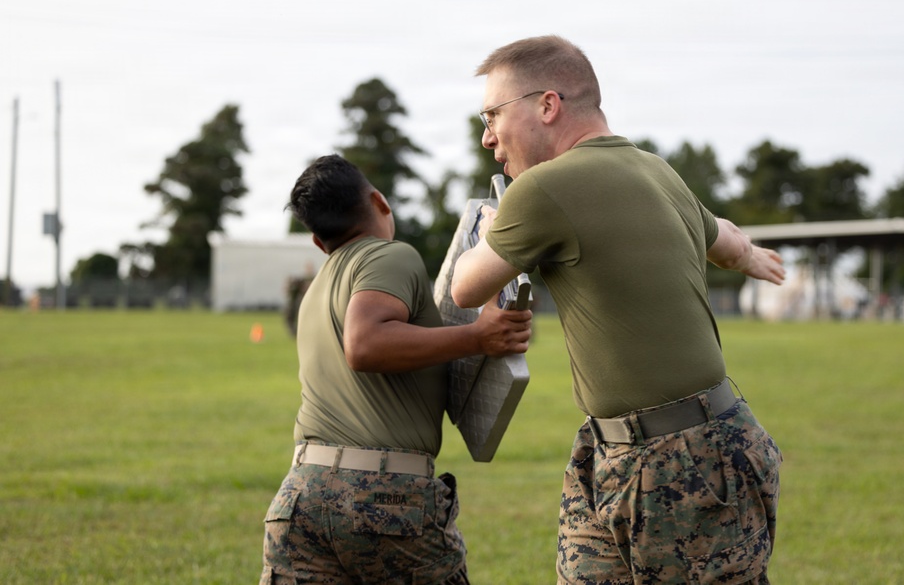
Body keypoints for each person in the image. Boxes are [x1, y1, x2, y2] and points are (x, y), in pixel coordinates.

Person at [451, 36, 786, 584]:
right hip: (622, 448)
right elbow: (721, 237)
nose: (488, 137)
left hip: (682, 462)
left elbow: (466, 287)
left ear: (548, 105)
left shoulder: (541, 190)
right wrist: (752, 258)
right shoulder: (656, 170)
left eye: (492, 115)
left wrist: (490, 231)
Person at [260, 154, 532, 584]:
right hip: (385, 499)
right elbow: (365, 344)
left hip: (300, 499)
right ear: (380, 202)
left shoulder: (316, 290)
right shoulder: (391, 256)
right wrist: (478, 338)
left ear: (317, 242)